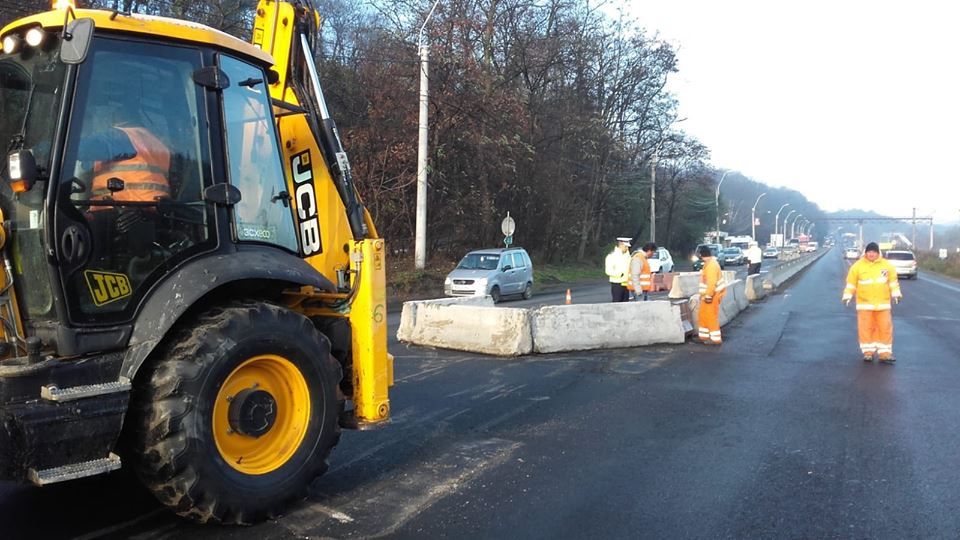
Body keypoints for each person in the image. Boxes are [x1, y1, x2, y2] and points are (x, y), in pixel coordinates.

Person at [842, 242, 902, 364]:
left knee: (885, 328)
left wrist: (896, 294)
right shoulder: (857, 266)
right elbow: (851, 284)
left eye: (874, 252)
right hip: (865, 304)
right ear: (866, 253)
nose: (871, 254)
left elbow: (893, 282)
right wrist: (847, 296)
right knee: (865, 329)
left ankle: (885, 353)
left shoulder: (887, 266)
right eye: (869, 252)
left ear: (878, 253)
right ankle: (868, 353)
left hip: (883, 304)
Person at [697, 244, 727, 345]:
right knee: (703, 316)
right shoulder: (708, 264)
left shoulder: (712, 266)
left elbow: (711, 283)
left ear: (701, 255)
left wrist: (708, 296)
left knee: (710, 317)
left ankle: (715, 339)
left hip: (712, 296)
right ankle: (704, 336)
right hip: (708, 296)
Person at [605, 237, 632, 302]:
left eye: (628, 247)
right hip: (617, 283)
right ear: (621, 245)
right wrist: (619, 274)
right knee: (617, 302)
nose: (627, 248)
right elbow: (608, 271)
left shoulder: (628, 256)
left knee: (626, 303)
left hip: (626, 283)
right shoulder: (612, 256)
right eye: (625, 246)